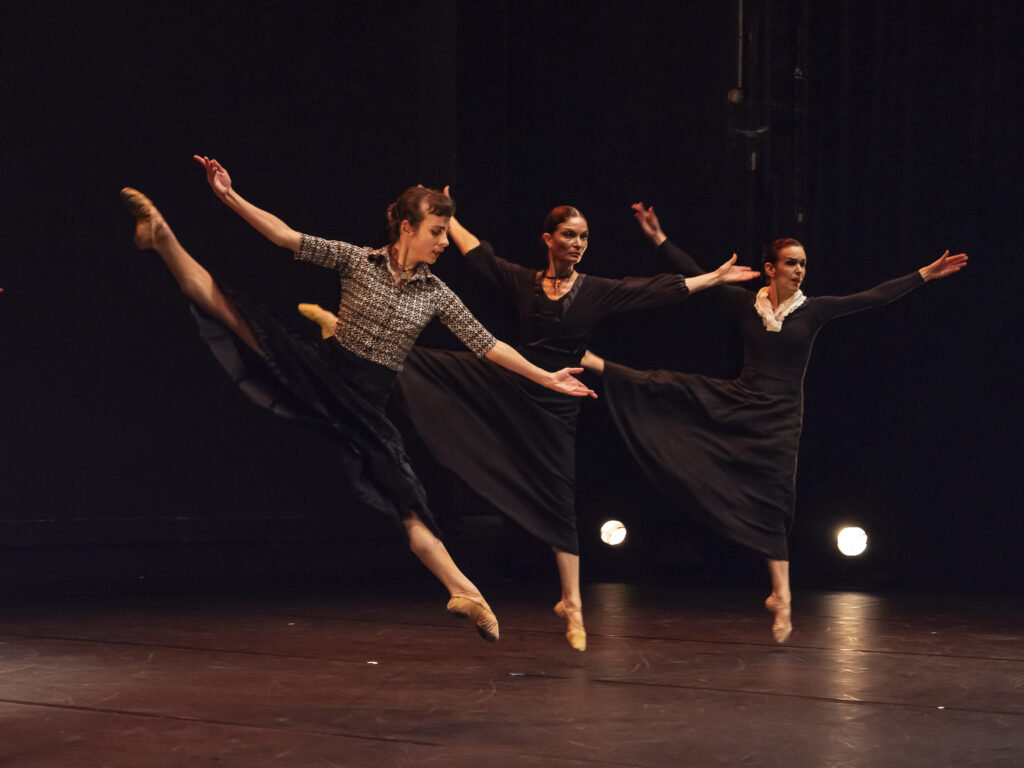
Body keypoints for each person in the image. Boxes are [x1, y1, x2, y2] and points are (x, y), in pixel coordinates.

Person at [118, 156, 597, 643]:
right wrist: (228, 196)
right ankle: (163, 237)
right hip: (323, 373)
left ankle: (464, 591)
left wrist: (546, 378)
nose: (444, 242)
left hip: (367, 406)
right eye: (436, 231)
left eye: (447, 232)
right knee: (232, 312)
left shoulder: (436, 293)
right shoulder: (356, 259)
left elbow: (487, 343)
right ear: (407, 227)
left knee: (408, 500)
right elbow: (285, 237)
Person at [300, 199, 759, 650]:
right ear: (549, 239)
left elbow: (655, 290)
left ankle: (573, 605)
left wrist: (712, 278)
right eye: (569, 235)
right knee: (427, 361)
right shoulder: (525, 282)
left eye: (584, 237)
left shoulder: (596, 289)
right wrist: (450, 217)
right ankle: (337, 327)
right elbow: (480, 258)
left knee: (560, 493)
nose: (578, 244)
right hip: (511, 382)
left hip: (556, 398)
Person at [580, 203, 968, 643]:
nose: (800, 270)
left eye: (803, 264)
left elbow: (873, 297)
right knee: (674, 386)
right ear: (770, 268)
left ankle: (781, 597)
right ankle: (594, 362)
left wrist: (924, 275)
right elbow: (695, 276)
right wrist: (657, 236)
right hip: (741, 398)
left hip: (781, 416)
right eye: (791, 263)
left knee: (776, 495)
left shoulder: (814, 310)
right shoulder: (746, 304)